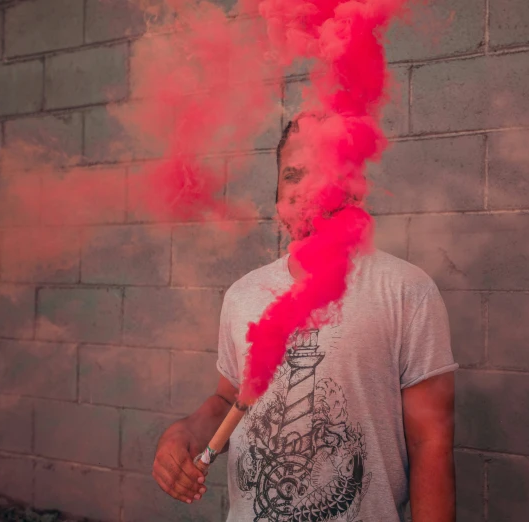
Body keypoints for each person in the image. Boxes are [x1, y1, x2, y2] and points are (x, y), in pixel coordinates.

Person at [152, 114, 458, 522]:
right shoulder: (243, 295)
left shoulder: (404, 290)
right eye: (292, 175)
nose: (306, 190)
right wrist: (187, 431)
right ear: (277, 190)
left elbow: (430, 442)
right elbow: (229, 399)